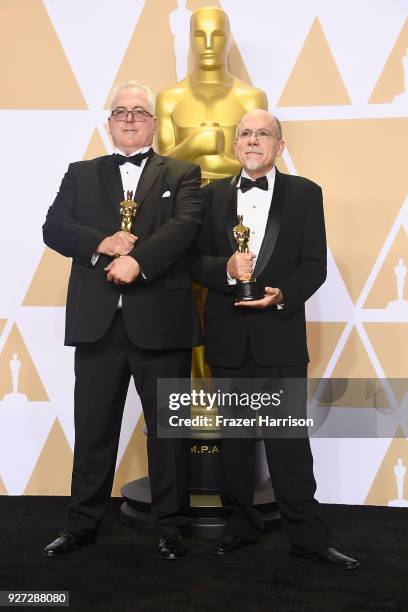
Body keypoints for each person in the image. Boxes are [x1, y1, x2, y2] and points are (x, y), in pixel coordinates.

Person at [191, 109, 360, 569]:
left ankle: (308, 537)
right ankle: (240, 528)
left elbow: (313, 265)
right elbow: (195, 262)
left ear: (279, 146)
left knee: (288, 444)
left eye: (262, 134)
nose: (251, 140)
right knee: (234, 443)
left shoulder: (306, 194)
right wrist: (225, 270)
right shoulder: (210, 197)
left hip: (280, 337)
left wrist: (283, 294)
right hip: (227, 340)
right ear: (234, 145)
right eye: (244, 133)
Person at [42, 80, 202, 560]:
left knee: (169, 432)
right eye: (121, 112)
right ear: (109, 123)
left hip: (162, 323)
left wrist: (139, 260)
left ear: (154, 123)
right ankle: (82, 524)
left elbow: (186, 227)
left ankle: (170, 525)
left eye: (139, 112)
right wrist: (103, 244)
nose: (130, 118)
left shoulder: (183, 172)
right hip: (98, 325)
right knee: (93, 429)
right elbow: (55, 226)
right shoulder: (81, 173)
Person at [156, 6, 267, 183]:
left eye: (217, 35)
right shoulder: (168, 99)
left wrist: (210, 159)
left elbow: (260, 163)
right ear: (190, 39)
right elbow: (162, 166)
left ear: (229, 39)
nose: (208, 44)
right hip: (183, 204)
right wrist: (195, 144)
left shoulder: (252, 99)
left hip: (237, 203)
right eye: (200, 36)